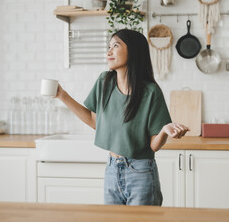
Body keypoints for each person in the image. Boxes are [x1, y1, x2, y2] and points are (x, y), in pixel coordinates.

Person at [56, 29, 189, 206]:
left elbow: (153, 145)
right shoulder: (105, 82)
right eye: (108, 47)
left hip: (141, 172)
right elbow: (94, 121)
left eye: (115, 46)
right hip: (112, 169)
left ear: (133, 51)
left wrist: (164, 131)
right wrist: (61, 94)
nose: (109, 52)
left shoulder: (150, 92)